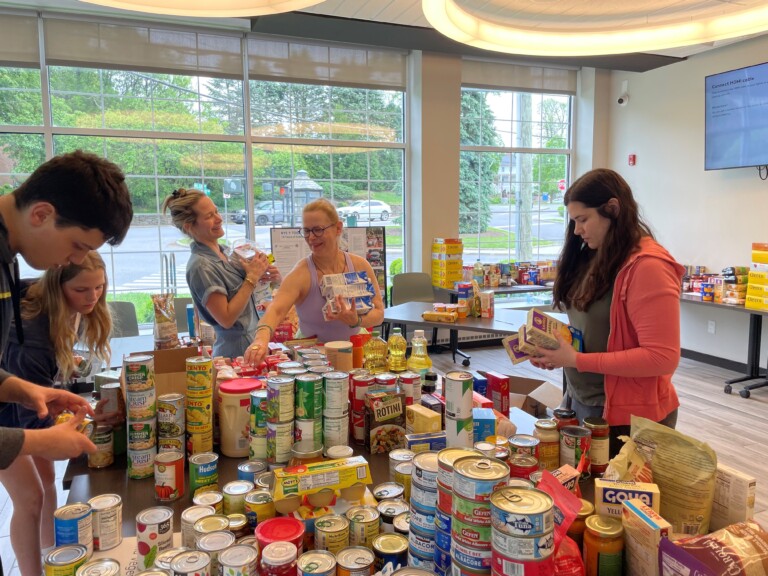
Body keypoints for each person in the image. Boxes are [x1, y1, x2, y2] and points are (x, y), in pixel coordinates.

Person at [532, 168, 683, 456]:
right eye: (574, 221)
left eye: (583, 219)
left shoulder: (649, 267)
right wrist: (556, 351)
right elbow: (592, 325)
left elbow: (662, 357)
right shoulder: (595, 254)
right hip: (582, 399)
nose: (577, 230)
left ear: (612, 209)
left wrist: (577, 359)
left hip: (626, 418)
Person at [0, 149, 132, 467]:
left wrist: (23, 390)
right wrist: (37, 441)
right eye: (77, 246)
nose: (74, 260)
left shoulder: (8, 257)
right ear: (41, 214)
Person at [0, 251, 112, 574]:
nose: (92, 297)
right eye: (81, 290)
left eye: (99, 288)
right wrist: (85, 423)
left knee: (45, 484)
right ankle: (33, 569)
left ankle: (50, 554)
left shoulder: (69, 306)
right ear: (58, 285)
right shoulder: (32, 336)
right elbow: (34, 420)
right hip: (8, 412)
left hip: (26, 397)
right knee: (31, 494)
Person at [244, 198, 385, 366]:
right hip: (312, 360)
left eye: (318, 230)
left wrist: (356, 321)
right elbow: (276, 309)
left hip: (353, 353)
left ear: (338, 228)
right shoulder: (301, 273)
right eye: (306, 231)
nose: (311, 237)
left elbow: (379, 313)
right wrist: (261, 339)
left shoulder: (360, 265)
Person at [162, 188, 280, 358]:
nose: (219, 218)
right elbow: (226, 319)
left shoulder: (225, 252)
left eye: (216, 211)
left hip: (253, 344)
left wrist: (262, 274)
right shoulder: (201, 266)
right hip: (234, 353)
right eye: (209, 216)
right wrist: (252, 278)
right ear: (190, 227)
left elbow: (244, 294)